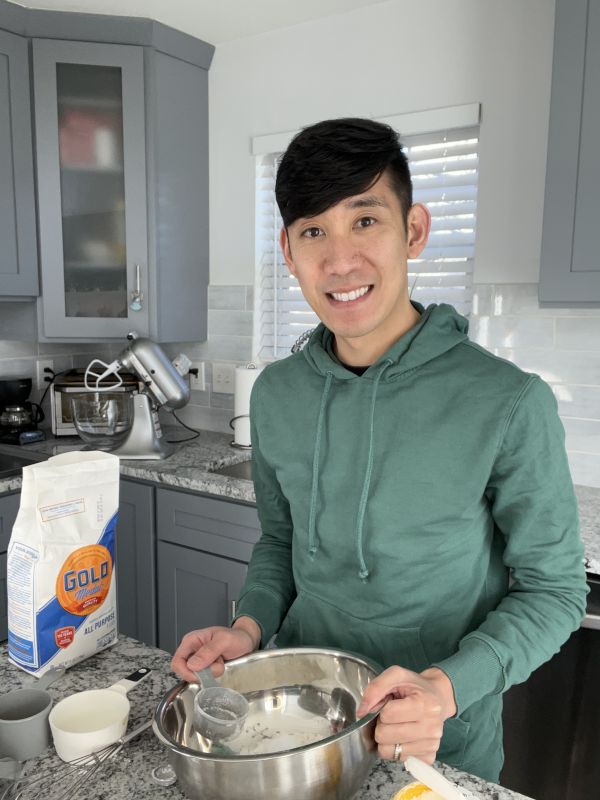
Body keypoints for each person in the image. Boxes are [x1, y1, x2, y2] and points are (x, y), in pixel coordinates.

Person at [172, 117, 587, 782]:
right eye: (314, 231)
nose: (339, 261)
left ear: (413, 230)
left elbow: (555, 590)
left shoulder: (507, 402)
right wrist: (247, 628)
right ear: (288, 249)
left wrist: (446, 688)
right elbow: (281, 543)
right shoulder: (278, 394)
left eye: (365, 220)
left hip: (439, 744)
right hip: (297, 730)